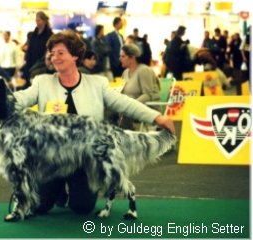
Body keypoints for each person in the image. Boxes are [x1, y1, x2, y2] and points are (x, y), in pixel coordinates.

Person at [13, 30, 175, 216]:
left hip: (85, 159)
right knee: (39, 207)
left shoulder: (97, 84)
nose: (54, 57)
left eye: (60, 53)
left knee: (82, 208)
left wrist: (157, 117)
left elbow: (125, 103)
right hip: (52, 159)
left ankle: (73, 188)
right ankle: (57, 190)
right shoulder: (42, 82)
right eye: (52, 53)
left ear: (75, 56)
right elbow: (20, 99)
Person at [117, 43, 160, 129]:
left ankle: (124, 138)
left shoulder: (144, 71)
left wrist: (131, 105)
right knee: (108, 110)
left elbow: (148, 95)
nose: (120, 59)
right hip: (130, 106)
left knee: (125, 113)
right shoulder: (125, 73)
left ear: (132, 58)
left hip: (146, 106)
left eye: (123, 56)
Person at [22, 11, 53, 83]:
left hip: (41, 64)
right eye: (36, 20)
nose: (37, 22)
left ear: (44, 21)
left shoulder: (49, 35)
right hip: (30, 61)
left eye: (39, 20)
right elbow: (29, 47)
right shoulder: (33, 34)